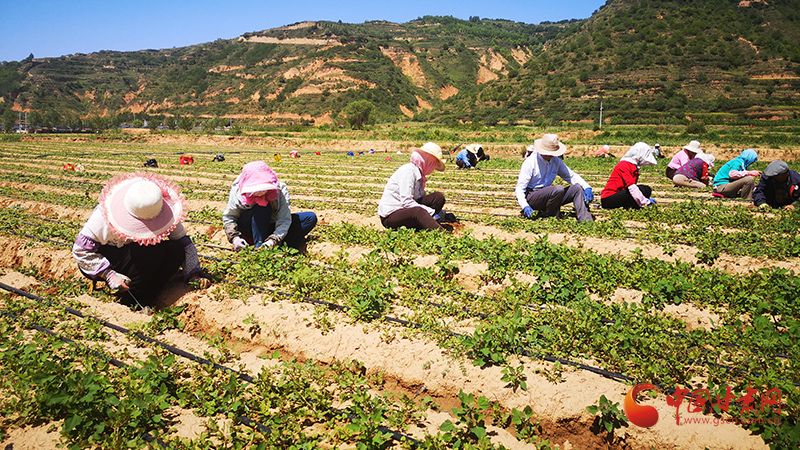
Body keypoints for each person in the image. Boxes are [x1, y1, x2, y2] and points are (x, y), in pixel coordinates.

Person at [72, 172, 211, 309]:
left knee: (174, 250)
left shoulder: (158, 208)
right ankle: (130, 302)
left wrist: (193, 273)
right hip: (107, 255)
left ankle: (148, 294)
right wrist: (108, 273)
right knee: (148, 254)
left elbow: (184, 243)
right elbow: (80, 250)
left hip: (138, 250)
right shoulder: (103, 218)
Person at [223, 161, 317, 251]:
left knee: (310, 218)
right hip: (249, 226)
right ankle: (259, 247)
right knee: (263, 207)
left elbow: (284, 219)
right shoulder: (238, 191)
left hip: (270, 225)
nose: (260, 192)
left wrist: (274, 239)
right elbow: (230, 217)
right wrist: (235, 238)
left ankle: (274, 245)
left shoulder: (280, 190)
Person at [515, 134, 594, 222]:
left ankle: (586, 220)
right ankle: (549, 217)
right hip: (532, 197)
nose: (552, 155)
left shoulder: (555, 161)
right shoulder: (530, 163)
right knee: (558, 189)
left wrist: (587, 187)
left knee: (577, 188)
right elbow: (519, 189)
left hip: (549, 195)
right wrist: (525, 206)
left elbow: (571, 175)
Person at [378, 142, 453, 231]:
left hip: (405, 209)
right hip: (392, 215)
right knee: (418, 211)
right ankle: (442, 234)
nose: (433, 169)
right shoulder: (408, 172)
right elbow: (406, 201)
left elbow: (420, 198)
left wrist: (443, 214)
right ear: (428, 161)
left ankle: (424, 223)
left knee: (438, 198)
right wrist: (430, 213)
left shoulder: (419, 173)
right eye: (434, 165)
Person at [600, 142, 658, 209]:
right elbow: (632, 187)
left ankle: (631, 206)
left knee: (647, 190)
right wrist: (645, 202)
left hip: (619, 195)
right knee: (643, 189)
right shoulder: (624, 165)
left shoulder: (633, 167)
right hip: (608, 198)